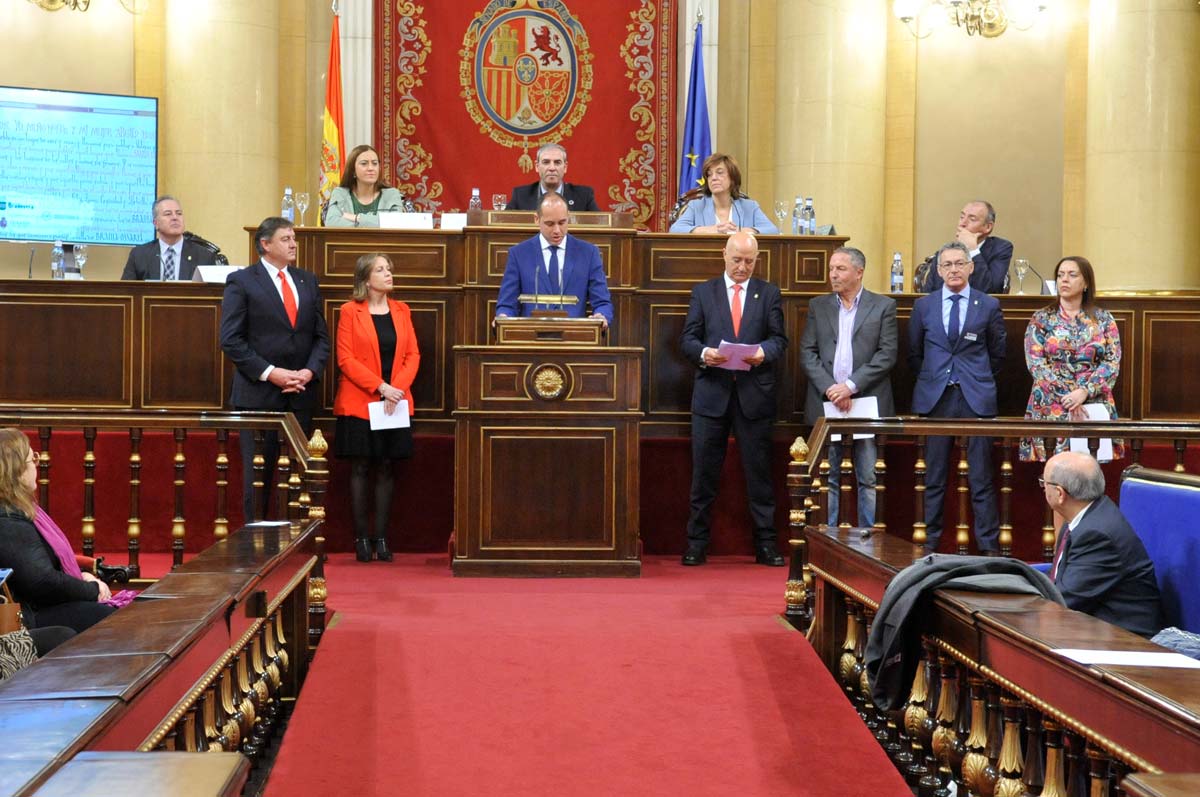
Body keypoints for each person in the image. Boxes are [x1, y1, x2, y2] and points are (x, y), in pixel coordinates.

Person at [680, 231, 789, 566]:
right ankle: (697, 543)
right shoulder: (704, 292)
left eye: (749, 261)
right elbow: (688, 339)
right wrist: (704, 353)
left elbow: (779, 340)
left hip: (753, 395)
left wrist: (761, 352)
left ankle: (766, 544)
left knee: (759, 475)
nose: (743, 267)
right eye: (737, 259)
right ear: (724, 256)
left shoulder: (768, 293)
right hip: (712, 393)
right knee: (704, 475)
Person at [220, 217, 331, 522]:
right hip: (258, 395)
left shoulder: (307, 280)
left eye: (294, 238)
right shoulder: (242, 281)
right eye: (286, 239)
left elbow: (320, 337)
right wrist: (272, 372)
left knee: (298, 472)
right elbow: (231, 340)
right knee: (259, 475)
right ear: (265, 244)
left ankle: (297, 540)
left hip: (300, 394)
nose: (293, 243)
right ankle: (254, 541)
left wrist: (309, 371)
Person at [909, 242, 1006, 554]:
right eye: (947, 264)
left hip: (975, 397)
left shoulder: (988, 305)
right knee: (934, 477)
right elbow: (915, 354)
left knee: (981, 478)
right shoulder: (924, 307)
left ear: (970, 267)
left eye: (959, 263)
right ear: (938, 270)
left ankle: (989, 548)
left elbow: (997, 354)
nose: (953, 269)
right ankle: (930, 546)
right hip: (935, 399)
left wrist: (972, 378)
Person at [799, 247, 898, 528]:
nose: (833, 274)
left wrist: (850, 386)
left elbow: (887, 354)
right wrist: (832, 388)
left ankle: (869, 540)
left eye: (840, 269)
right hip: (827, 402)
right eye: (832, 268)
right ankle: (828, 539)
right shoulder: (819, 306)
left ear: (859, 272)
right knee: (828, 475)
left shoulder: (883, 307)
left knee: (868, 476)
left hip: (865, 402)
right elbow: (807, 352)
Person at [333, 254, 420, 563]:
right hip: (361, 401)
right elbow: (346, 360)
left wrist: (394, 390)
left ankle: (381, 538)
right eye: (380, 270)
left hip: (393, 403)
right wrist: (380, 387)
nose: (388, 274)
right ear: (366, 280)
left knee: (385, 466)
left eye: (389, 269)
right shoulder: (349, 311)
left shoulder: (401, 310)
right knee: (360, 467)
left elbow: (413, 355)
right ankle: (360, 538)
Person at [0, 429, 117, 634]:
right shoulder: (7, 518)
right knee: (107, 620)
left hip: (36, 605)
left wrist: (82, 576)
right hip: (24, 618)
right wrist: (91, 590)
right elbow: (41, 582)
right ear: (16, 470)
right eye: (32, 458)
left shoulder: (15, 509)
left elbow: (43, 567)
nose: (37, 466)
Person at [1041, 451, 1163, 638]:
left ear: (1059, 494)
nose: (1043, 488)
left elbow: (1063, 601)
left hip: (1127, 641)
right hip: (1096, 629)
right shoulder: (1087, 515)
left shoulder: (1097, 534)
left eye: (1044, 483)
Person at [1020, 256, 1123, 461]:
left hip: (1091, 403)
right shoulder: (1041, 318)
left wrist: (1084, 392)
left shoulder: (1103, 319)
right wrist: (1069, 397)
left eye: (1072, 275)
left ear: (1085, 283)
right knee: (1054, 474)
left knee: (1088, 473)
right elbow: (1036, 363)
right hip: (1052, 403)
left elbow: (1111, 362)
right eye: (1060, 275)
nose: (1064, 280)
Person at [494, 193, 614, 327]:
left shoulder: (588, 253)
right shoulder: (519, 254)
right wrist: (503, 317)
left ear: (568, 217)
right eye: (550, 224)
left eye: (562, 222)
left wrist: (600, 316)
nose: (557, 230)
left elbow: (602, 302)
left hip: (574, 338)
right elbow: (507, 304)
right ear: (536, 219)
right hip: (531, 339)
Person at [669, 153, 779, 235]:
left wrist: (741, 231)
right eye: (709, 175)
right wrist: (713, 230)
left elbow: (773, 230)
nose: (714, 178)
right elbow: (675, 230)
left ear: (732, 177)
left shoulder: (750, 207)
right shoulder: (696, 206)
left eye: (720, 172)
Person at [917, 200, 1013, 294]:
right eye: (962, 217)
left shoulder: (1001, 248)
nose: (962, 223)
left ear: (988, 227)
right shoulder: (943, 254)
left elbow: (990, 290)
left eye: (972, 219)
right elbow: (928, 296)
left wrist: (972, 249)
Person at [121, 196, 219, 280]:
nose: (175, 217)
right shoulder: (139, 255)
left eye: (179, 213)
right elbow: (125, 292)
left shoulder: (204, 256)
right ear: (156, 223)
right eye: (168, 214)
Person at [323, 144, 408, 227]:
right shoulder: (340, 193)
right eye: (364, 164)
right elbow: (332, 223)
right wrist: (377, 224)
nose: (371, 168)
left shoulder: (392, 194)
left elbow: (395, 223)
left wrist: (356, 218)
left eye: (374, 163)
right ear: (353, 170)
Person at [508, 143, 600, 211]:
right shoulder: (520, 195)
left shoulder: (584, 196)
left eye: (557, 162)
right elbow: (503, 225)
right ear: (537, 166)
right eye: (546, 162)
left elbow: (600, 227)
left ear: (565, 167)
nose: (552, 168)